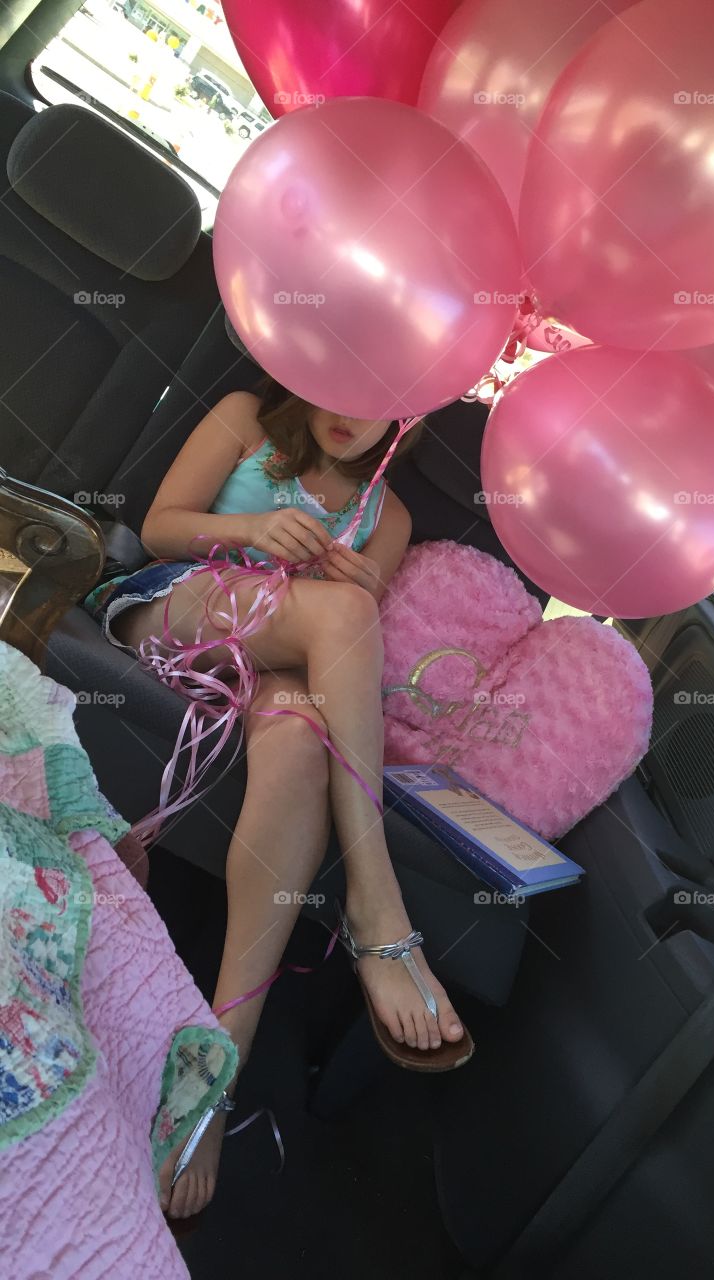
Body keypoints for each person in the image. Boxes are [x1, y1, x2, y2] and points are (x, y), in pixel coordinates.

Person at [81, 378, 471, 1220]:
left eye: (382, 393)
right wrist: (252, 528)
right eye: (340, 372)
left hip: (275, 664)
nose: (351, 405)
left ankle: (215, 1066)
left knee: (299, 743)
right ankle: (378, 911)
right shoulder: (244, 419)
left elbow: (336, 653)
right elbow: (158, 527)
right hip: (177, 607)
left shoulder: (388, 517)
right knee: (340, 617)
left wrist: (358, 583)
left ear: (414, 411)